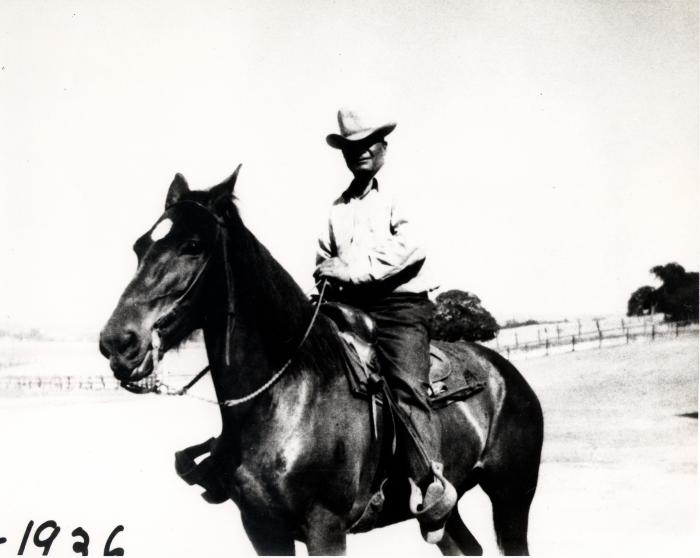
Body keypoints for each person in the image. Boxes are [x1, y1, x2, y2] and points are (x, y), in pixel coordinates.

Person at [314, 109, 456, 542]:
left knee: (406, 386)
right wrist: (325, 276)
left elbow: (410, 247)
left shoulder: (402, 193)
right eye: (350, 147)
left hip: (400, 308)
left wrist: (349, 269)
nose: (359, 152)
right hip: (348, 308)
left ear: (383, 147)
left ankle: (431, 485)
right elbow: (324, 260)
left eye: (367, 143)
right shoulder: (337, 208)